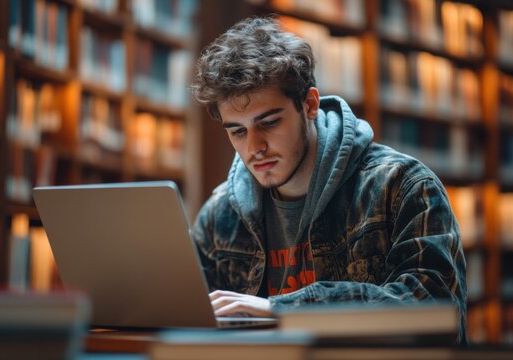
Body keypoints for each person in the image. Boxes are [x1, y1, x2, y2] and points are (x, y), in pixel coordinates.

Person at [190, 16, 467, 343]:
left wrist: (283, 308)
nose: (254, 148)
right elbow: (187, 318)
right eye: (237, 131)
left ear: (309, 104)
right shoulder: (219, 214)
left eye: (269, 123)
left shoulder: (403, 186)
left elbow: (434, 308)